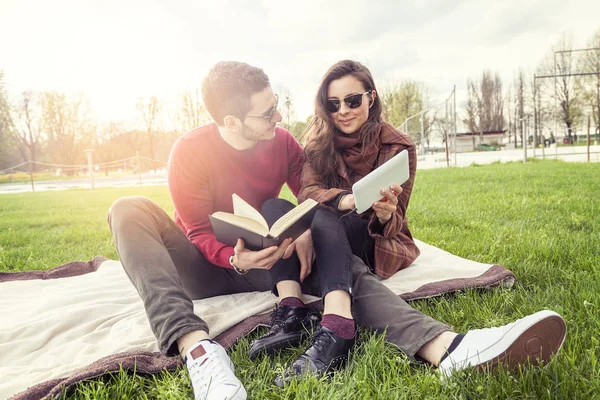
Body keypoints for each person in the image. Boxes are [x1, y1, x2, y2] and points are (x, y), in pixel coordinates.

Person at [269, 59, 567, 386]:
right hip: (330, 236)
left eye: (352, 100)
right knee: (326, 229)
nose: (343, 110)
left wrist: (384, 214)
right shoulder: (316, 141)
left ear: (371, 97)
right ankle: (445, 348)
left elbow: (396, 218)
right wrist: (346, 200)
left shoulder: (398, 145)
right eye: (333, 103)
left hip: (372, 237)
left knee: (326, 224)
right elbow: (308, 192)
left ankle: (343, 329)